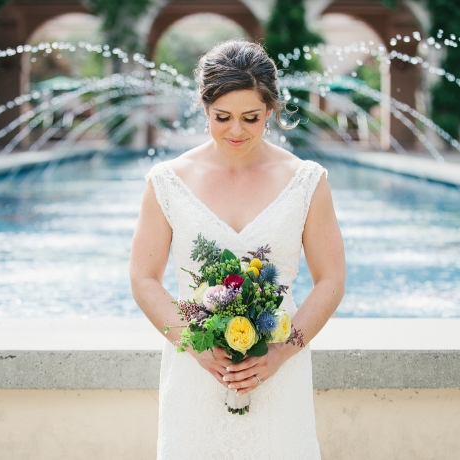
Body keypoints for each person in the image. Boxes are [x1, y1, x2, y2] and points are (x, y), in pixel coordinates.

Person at [129, 40, 345, 459]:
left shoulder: (307, 181)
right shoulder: (167, 182)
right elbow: (143, 278)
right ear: (204, 108)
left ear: (272, 111)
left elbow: (332, 279)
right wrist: (194, 344)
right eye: (222, 117)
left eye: (252, 117)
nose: (236, 130)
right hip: (196, 370)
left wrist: (281, 353)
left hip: (279, 372)